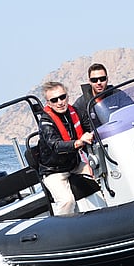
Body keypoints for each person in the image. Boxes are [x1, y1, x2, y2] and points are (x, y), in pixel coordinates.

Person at [37, 81, 96, 215]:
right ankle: (60, 226)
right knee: (67, 201)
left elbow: (90, 127)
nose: (60, 102)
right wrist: (79, 142)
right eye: (54, 100)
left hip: (74, 164)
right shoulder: (46, 122)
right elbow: (56, 145)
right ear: (48, 103)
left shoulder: (75, 112)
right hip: (54, 171)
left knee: (102, 174)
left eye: (62, 97)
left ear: (67, 97)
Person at [73, 63, 133, 129]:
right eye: (94, 80)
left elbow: (132, 112)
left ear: (107, 79)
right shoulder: (81, 104)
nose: (99, 83)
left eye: (102, 79)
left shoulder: (117, 95)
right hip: (96, 135)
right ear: (90, 81)